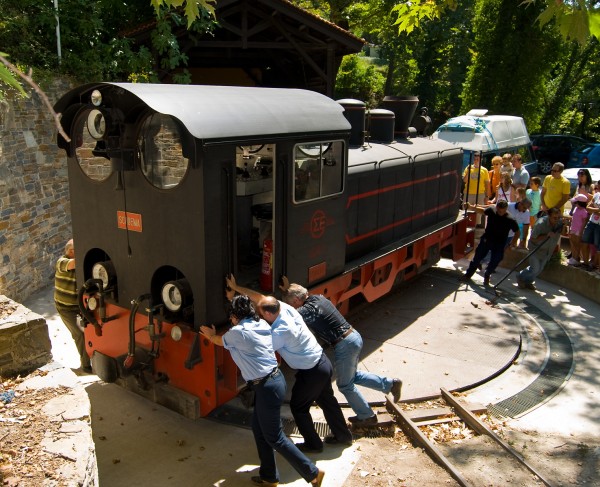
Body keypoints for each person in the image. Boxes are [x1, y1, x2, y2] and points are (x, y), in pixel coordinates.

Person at [200, 295, 325, 487]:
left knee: (275, 437)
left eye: (231, 317)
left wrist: (209, 334)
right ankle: (269, 476)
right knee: (259, 429)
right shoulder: (262, 325)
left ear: (234, 317)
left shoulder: (238, 333)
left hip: (266, 387)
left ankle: (312, 473)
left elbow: (218, 340)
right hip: (273, 381)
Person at [280, 281, 402, 427]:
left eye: (292, 304)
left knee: (345, 385)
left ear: (296, 300)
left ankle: (367, 416)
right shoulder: (319, 298)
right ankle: (390, 384)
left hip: (345, 344)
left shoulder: (308, 309)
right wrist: (287, 289)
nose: (294, 307)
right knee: (352, 376)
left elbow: (287, 316)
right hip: (352, 337)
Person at [258, 296, 353, 452]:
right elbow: (261, 298)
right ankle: (343, 435)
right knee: (327, 401)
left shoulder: (279, 332)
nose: (261, 317)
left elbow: (263, 348)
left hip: (312, 372)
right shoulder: (287, 309)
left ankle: (313, 444)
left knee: (298, 407)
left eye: (262, 315)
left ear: (268, 315)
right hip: (322, 363)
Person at [459, 200, 519, 287]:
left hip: (499, 243)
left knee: (495, 260)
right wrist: (471, 207)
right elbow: (482, 211)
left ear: (506, 209)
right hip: (487, 240)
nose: (500, 212)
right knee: (477, 258)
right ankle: (468, 275)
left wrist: (512, 243)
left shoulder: (510, 219)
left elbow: (517, 232)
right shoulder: (492, 210)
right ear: (497, 207)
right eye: (498, 210)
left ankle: (487, 275)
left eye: (502, 211)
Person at [54, 239, 91, 373]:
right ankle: (86, 365)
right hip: (66, 308)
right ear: (70, 252)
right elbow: (73, 263)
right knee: (80, 334)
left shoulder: (80, 265)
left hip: (80, 306)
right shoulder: (62, 262)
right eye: (78, 249)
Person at [517, 208, 564, 290]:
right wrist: (546, 236)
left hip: (547, 250)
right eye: (554, 218)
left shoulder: (559, 223)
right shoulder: (540, 223)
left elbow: (563, 233)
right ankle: (521, 277)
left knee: (539, 269)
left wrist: (564, 225)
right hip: (536, 249)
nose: (557, 220)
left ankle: (528, 282)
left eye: (558, 218)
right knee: (535, 268)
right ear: (549, 216)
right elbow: (533, 238)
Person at [462, 153, 491, 226]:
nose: (475, 161)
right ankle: (465, 225)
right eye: (474, 159)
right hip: (468, 193)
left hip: (480, 194)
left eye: (477, 159)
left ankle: (475, 229)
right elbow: (465, 180)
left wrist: (487, 196)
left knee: (478, 213)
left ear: (480, 159)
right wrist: (468, 171)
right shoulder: (468, 168)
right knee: (466, 210)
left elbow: (487, 184)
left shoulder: (484, 170)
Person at [580, 189, 600, 272]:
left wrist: (594, 208)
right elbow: (588, 208)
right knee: (584, 241)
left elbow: (591, 209)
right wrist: (598, 210)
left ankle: (594, 265)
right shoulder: (597, 195)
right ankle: (585, 262)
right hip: (592, 223)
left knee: (598, 246)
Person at [567, 194, 591, 266]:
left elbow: (584, 222)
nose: (575, 203)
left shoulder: (584, 211)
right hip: (573, 228)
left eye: (576, 202)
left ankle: (577, 258)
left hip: (578, 230)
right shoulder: (576, 209)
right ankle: (574, 257)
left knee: (577, 244)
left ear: (580, 203)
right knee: (573, 243)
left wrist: (581, 231)